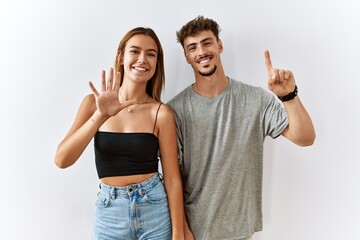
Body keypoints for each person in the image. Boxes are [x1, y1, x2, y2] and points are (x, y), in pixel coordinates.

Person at [167, 16, 316, 240]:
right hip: (195, 233)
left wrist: (288, 96)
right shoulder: (175, 111)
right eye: (192, 47)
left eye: (207, 43)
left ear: (220, 45)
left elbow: (305, 137)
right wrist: (181, 231)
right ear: (187, 57)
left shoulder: (256, 99)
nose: (201, 52)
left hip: (241, 232)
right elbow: (172, 178)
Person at [54, 27, 184, 240]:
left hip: (154, 210)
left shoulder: (161, 113)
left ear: (156, 63)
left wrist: (178, 234)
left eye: (151, 54)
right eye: (135, 51)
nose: (143, 59)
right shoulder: (92, 104)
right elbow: (61, 159)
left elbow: (172, 178)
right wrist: (100, 116)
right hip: (109, 213)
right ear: (121, 57)